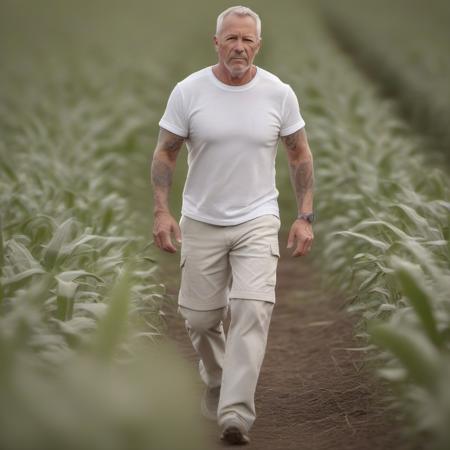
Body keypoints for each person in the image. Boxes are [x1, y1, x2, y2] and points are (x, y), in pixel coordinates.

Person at [150, 5, 314, 446]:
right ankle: (221, 379)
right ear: (216, 42)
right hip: (201, 219)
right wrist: (162, 211)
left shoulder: (278, 93)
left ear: (258, 45)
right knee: (200, 319)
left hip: (258, 219)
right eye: (231, 39)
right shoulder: (189, 91)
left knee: (251, 309)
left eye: (247, 40)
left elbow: (299, 154)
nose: (239, 47)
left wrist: (303, 216)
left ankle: (235, 415)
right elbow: (166, 152)